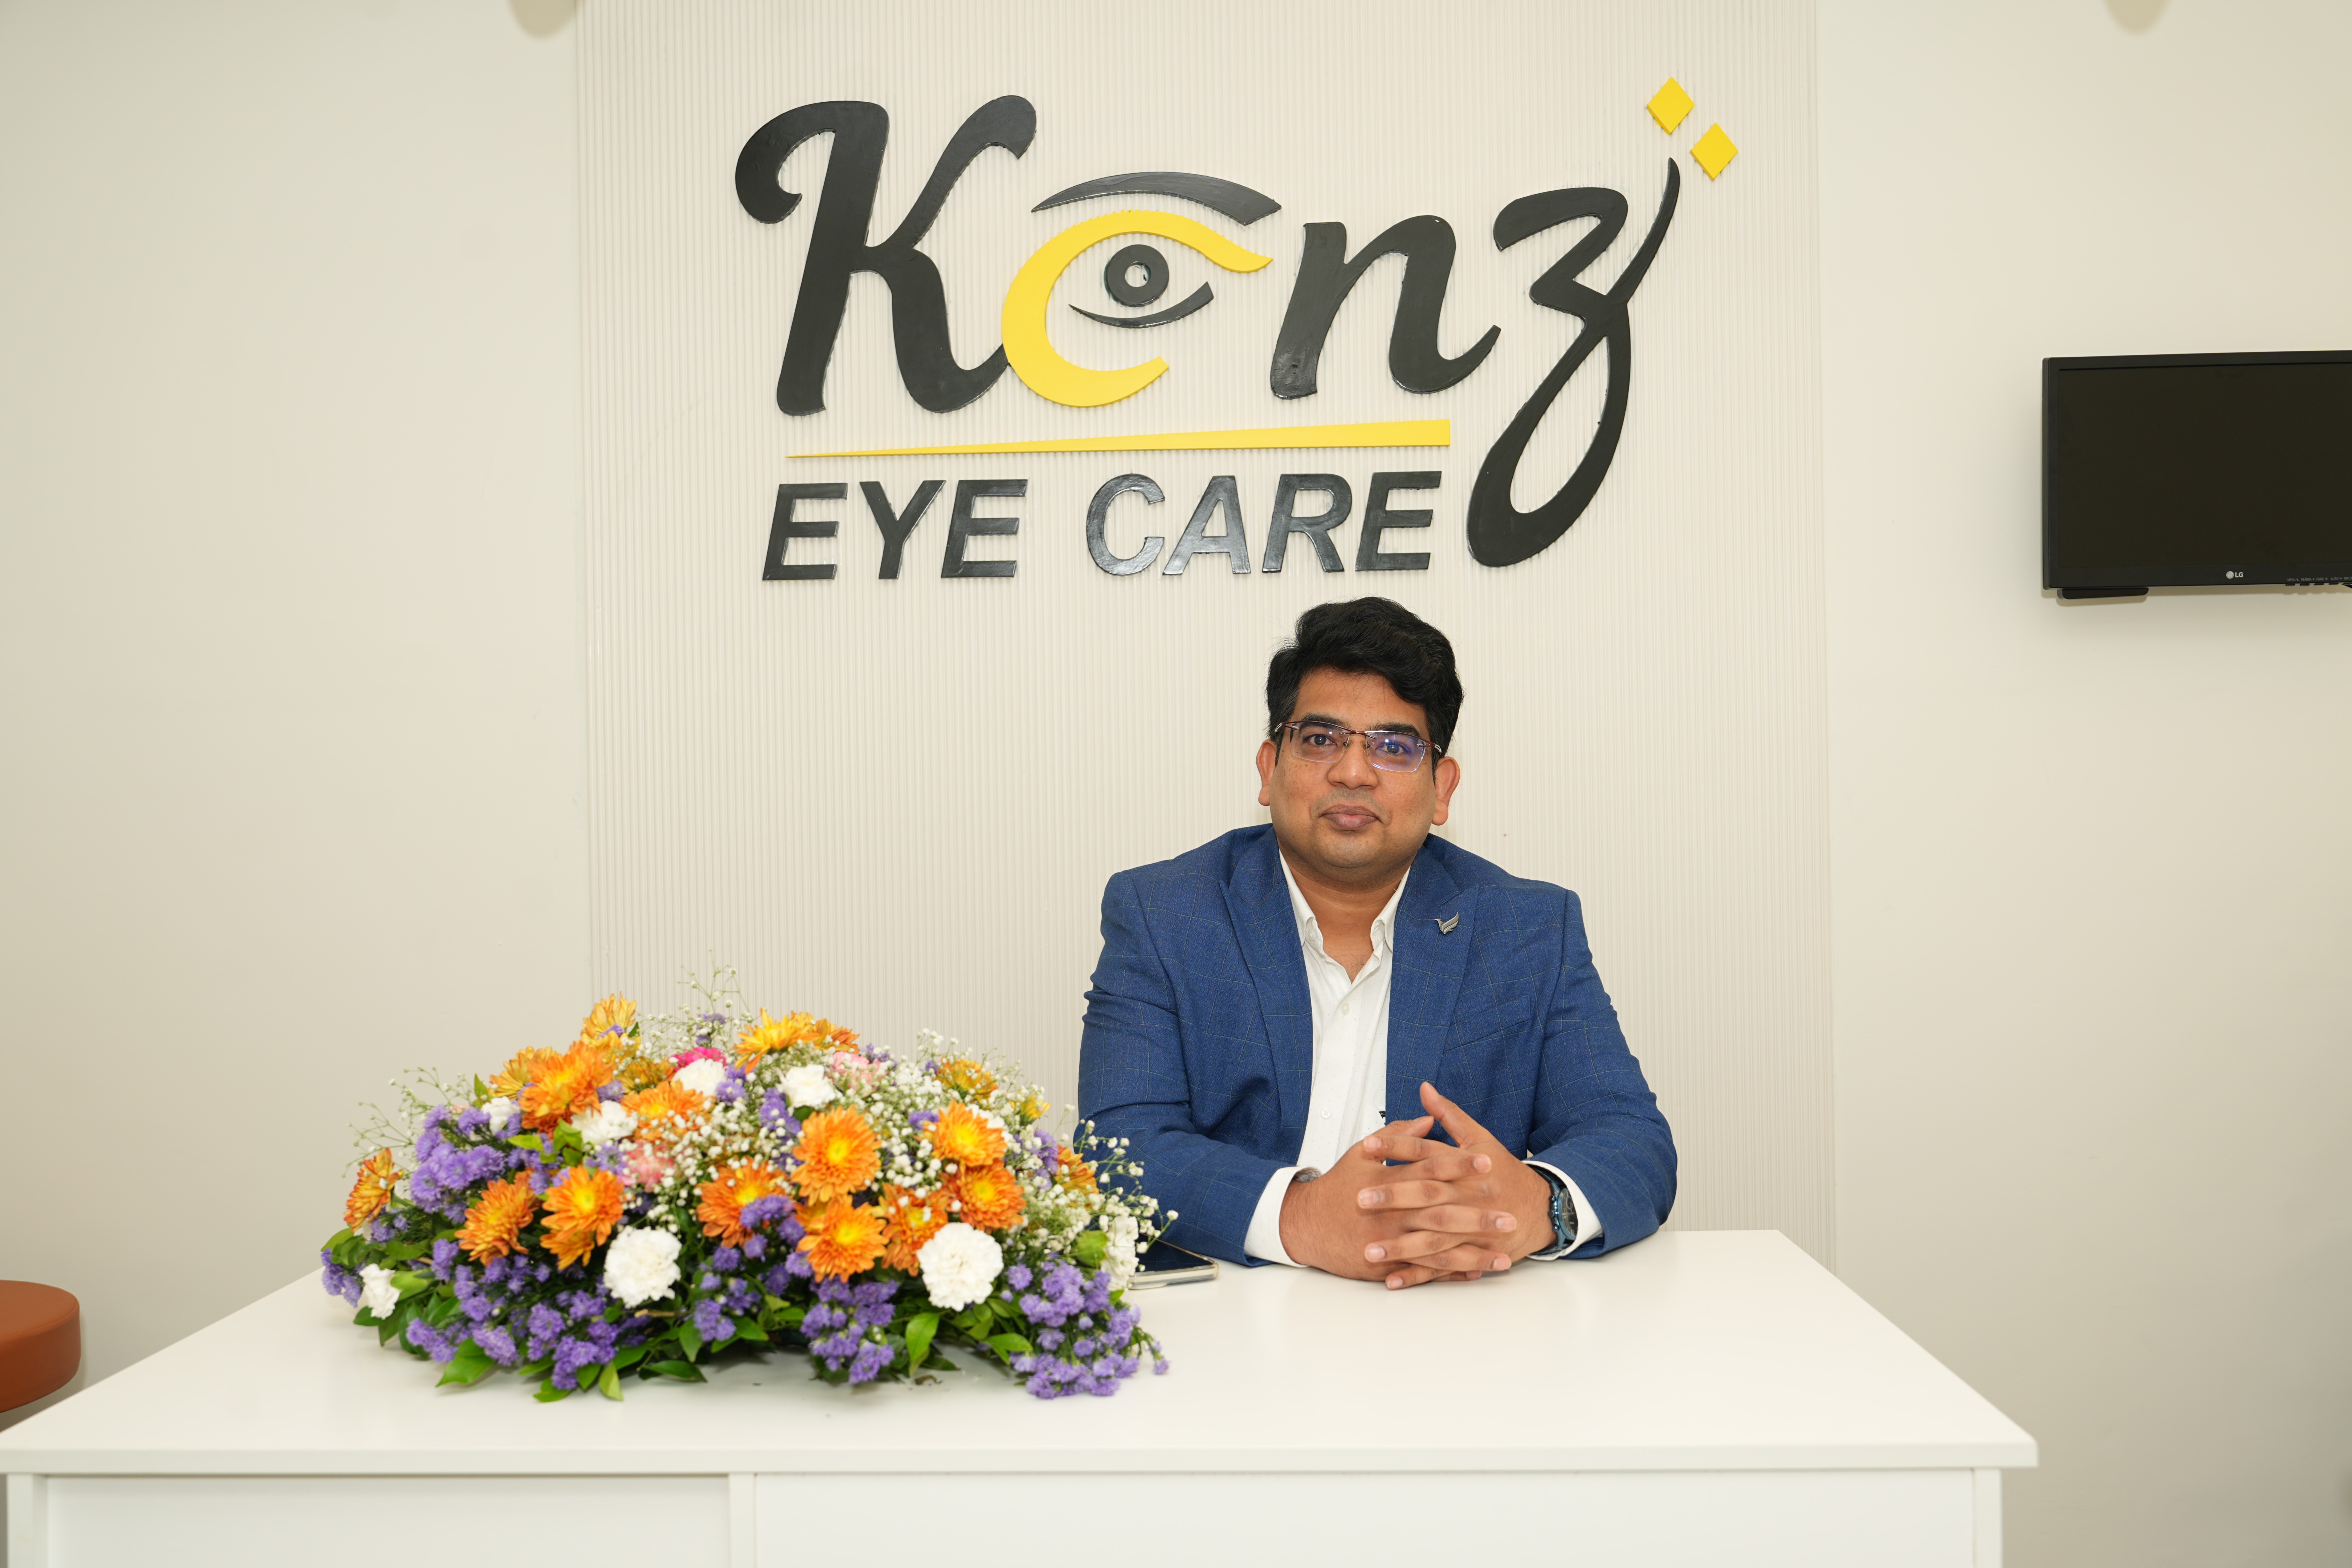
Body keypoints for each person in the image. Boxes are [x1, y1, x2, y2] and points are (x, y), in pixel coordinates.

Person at [1078, 597, 1675, 1288]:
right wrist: (1300, 1216)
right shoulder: (1164, 913)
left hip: (1453, 1327)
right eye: (1322, 739)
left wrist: (1540, 1205)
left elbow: (1634, 1142)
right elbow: (1117, 1150)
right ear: (1270, 767)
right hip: (1229, 1323)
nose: (1354, 771)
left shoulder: (1530, 927)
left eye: (1395, 746)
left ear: (1441, 787)